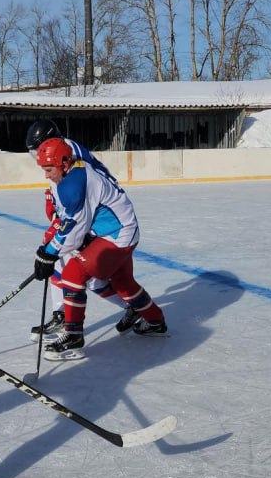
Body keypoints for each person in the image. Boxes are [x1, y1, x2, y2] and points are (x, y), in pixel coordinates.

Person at [30, 137, 167, 360]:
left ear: (64, 163)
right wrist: (47, 248)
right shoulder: (73, 172)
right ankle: (155, 320)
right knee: (123, 283)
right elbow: (69, 222)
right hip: (121, 229)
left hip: (117, 235)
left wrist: (49, 253)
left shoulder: (76, 183)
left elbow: (74, 228)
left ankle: (73, 336)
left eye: (49, 169)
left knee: (74, 273)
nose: (46, 175)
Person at [23, 119, 127, 342]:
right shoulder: (58, 152)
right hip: (85, 214)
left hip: (96, 217)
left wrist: (55, 241)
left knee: (84, 275)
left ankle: (130, 306)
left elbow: (78, 208)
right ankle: (61, 315)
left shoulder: (70, 156)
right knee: (60, 263)